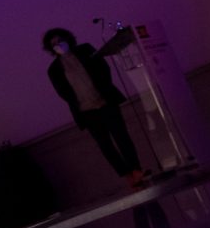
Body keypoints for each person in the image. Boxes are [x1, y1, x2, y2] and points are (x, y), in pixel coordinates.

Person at [42, 27, 147, 189]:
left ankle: (136, 169)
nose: (58, 45)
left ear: (68, 39)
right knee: (105, 145)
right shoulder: (54, 69)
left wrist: (104, 89)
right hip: (87, 111)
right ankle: (126, 175)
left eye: (60, 41)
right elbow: (62, 92)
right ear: (51, 48)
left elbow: (104, 69)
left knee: (122, 137)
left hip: (105, 102)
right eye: (54, 44)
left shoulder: (85, 50)